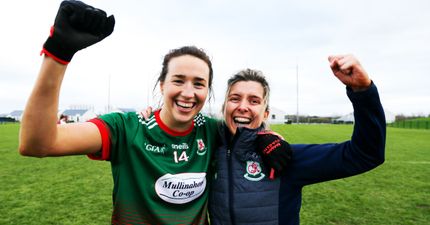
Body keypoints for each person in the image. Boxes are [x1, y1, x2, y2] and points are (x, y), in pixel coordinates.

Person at [19, 1, 274, 224]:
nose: (188, 92)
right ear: (162, 84)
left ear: (207, 90)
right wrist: (58, 55)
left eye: (199, 83)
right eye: (178, 80)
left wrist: (272, 139)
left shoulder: (212, 130)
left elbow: (248, 129)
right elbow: (37, 144)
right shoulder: (126, 128)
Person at [208, 56, 386, 225]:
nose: (242, 107)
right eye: (234, 99)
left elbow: (365, 154)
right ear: (224, 107)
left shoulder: (284, 157)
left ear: (266, 114)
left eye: (254, 101)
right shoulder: (208, 148)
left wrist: (363, 91)